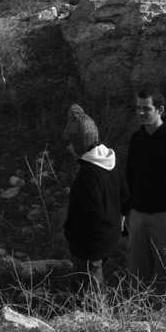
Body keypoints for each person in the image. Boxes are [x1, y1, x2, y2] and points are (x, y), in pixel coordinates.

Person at [125, 88, 166, 286]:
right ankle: (138, 313)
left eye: (147, 108)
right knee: (137, 270)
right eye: (138, 108)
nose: (141, 113)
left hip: (165, 216)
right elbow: (130, 175)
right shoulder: (137, 139)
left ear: (160, 109)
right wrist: (128, 209)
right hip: (138, 215)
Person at [61, 103, 129, 290]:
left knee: (92, 286)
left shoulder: (87, 175)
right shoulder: (110, 162)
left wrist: (70, 236)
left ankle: (98, 315)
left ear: (78, 143)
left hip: (91, 244)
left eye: (70, 143)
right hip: (111, 234)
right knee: (94, 277)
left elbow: (81, 216)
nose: (68, 148)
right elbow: (125, 198)